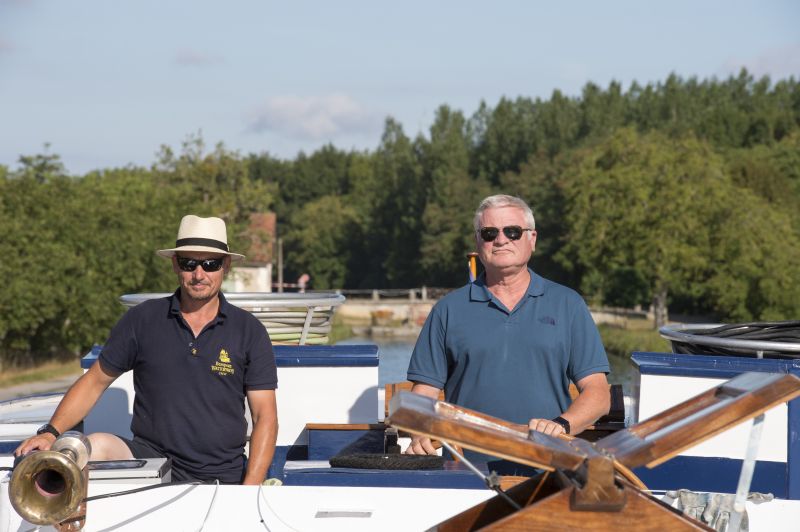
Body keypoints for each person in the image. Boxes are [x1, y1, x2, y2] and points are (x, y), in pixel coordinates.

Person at [16, 215, 279, 485]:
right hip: (151, 465)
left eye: (210, 264)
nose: (199, 274)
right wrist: (50, 433)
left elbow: (265, 417)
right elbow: (94, 381)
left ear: (226, 266)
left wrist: (249, 490)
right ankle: (68, 523)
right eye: (190, 263)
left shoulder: (249, 331)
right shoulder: (142, 320)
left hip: (222, 477)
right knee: (92, 445)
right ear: (176, 265)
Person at [405, 194, 610, 459]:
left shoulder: (568, 304)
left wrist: (561, 425)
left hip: (547, 467)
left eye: (512, 231)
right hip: (465, 470)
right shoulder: (448, 310)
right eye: (489, 233)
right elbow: (424, 394)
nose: (501, 240)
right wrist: (420, 430)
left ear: (532, 239)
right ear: (478, 242)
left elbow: (598, 393)